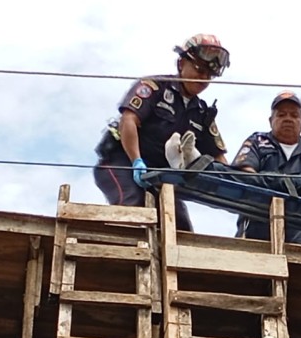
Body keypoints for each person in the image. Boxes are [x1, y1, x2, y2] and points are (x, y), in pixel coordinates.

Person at [93, 34, 230, 232]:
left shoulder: (202, 113)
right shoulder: (154, 87)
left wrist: (231, 183)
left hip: (162, 176)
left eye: (209, 75)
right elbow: (129, 120)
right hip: (123, 162)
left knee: (180, 228)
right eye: (199, 69)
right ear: (181, 63)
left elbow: (219, 157)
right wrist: (136, 161)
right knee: (131, 208)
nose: (203, 78)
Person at [231, 91, 301, 246]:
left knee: (300, 268)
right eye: (281, 115)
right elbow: (244, 176)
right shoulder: (257, 141)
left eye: (294, 115)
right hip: (257, 229)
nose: (288, 119)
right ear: (271, 120)